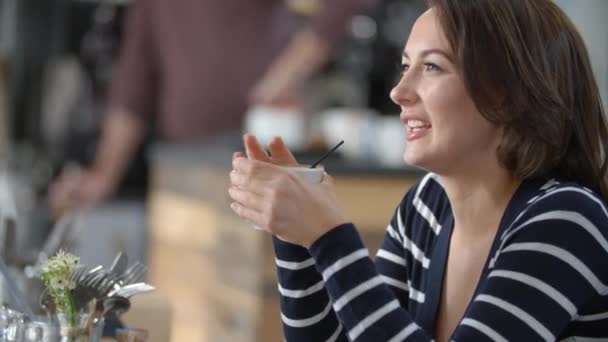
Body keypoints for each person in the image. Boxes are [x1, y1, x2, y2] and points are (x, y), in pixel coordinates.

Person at [228, 0, 608, 341]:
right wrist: (295, 235)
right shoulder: (425, 206)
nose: (399, 91)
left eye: (431, 67)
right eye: (406, 66)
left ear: (508, 93)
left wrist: (329, 238)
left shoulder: (567, 219)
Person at [49, 0, 371, 213]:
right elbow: (134, 85)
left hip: (257, 157)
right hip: (183, 164)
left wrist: (284, 76)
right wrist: (104, 174)